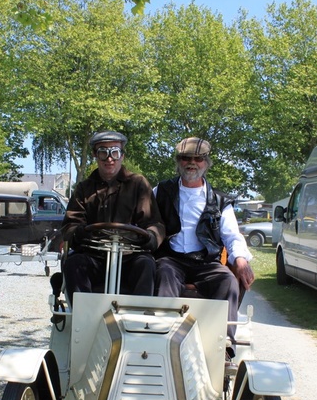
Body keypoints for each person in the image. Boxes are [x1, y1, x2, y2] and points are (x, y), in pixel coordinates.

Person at [153, 137, 255, 352]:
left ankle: (223, 345)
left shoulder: (220, 200)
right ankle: (161, 340)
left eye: (198, 159)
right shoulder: (160, 191)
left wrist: (241, 260)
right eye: (186, 158)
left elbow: (231, 235)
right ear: (178, 161)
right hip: (170, 259)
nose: (192, 163)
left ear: (206, 163)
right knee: (163, 273)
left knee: (227, 280)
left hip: (206, 261)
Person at [61, 131, 165, 304]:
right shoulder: (84, 188)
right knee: (74, 263)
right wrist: (79, 233)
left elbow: (154, 223)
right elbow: (70, 224)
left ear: (122, 155)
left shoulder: (138, 184)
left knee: (146, 265)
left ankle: (136, 324)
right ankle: (83, 322)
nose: (109, 159)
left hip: (130, 256)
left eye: (114, 152)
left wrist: (152, 237)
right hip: (93, 256)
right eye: (103, 152)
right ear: (95, 155)